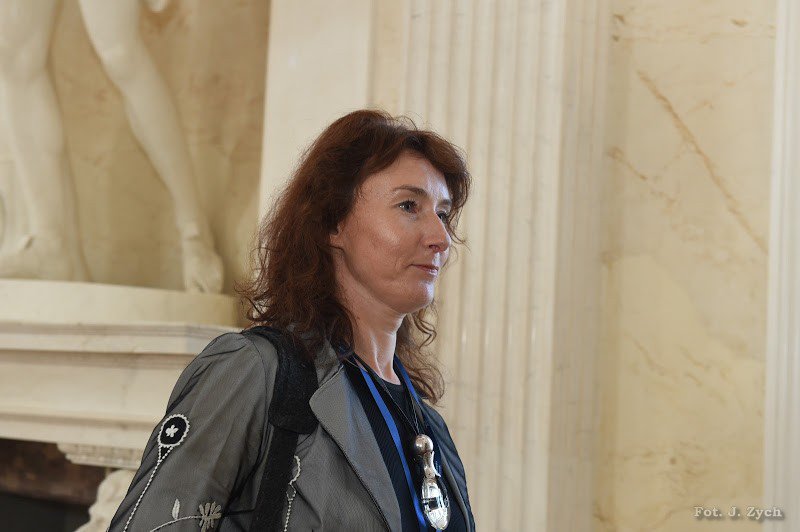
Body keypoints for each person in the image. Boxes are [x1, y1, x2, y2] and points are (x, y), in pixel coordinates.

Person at [108, 109, 476, 531]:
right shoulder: (255, 371)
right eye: (409, 205)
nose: (440, 238)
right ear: (333, 222)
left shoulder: (429, 424)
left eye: (443, 214)